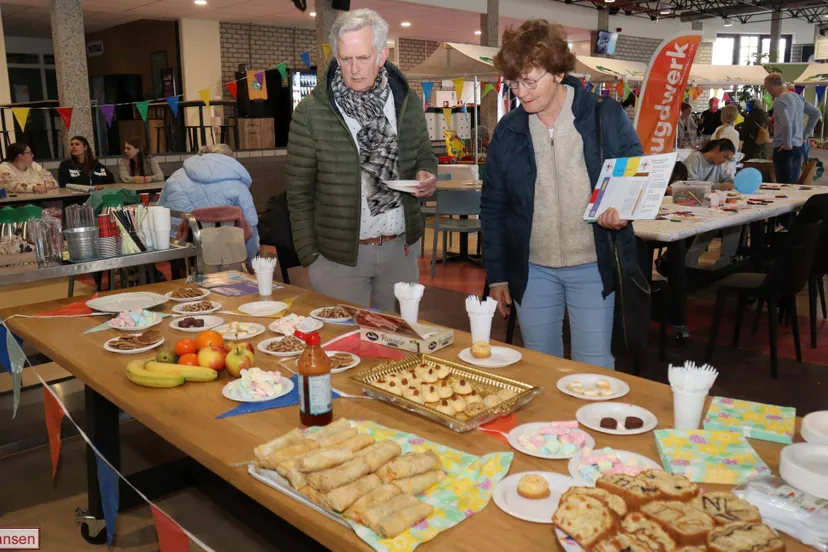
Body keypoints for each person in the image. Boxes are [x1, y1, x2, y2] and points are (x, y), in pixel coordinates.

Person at [481, 20, 644, 370]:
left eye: (529, 81)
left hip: (592, 264)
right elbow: (493, 207)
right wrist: (498, 275)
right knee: (540, 367)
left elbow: (635, 171)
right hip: (532, 268)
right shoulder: (509, 131)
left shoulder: (604, 114)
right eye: (514, 83)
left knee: (593, 368)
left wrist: (622, 209)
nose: (521, 92)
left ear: (557, 72)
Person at [286, 9, 437, 314]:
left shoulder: (406, 102)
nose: (353, 69)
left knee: (398, 337)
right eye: (345, 59)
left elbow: (424, 154)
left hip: (400, 251)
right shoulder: (311, 113)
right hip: (338, 259)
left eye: (363, 58)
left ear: (382, 55)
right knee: (342, 339)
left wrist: (426, 174)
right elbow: (298, 192)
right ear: (336, 57)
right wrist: (311, 257)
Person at [158, 144, 259, 262]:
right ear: (230, 161)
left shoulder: (174, 178)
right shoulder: (237, 184)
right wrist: (251, 261)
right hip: (224, 255)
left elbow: (159, 213)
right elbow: (251, 227)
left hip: (179, 248)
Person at [764, 72, 821, 184]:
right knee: (793, 185)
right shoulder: (798, 97)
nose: (768, 91)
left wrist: (787, 144)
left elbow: (786, 124)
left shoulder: (780, 101)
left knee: (784, 185)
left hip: (783, 147)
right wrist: (805, 134)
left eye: (767, 88)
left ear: (771, 86)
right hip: (797, 147)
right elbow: (816, 113)